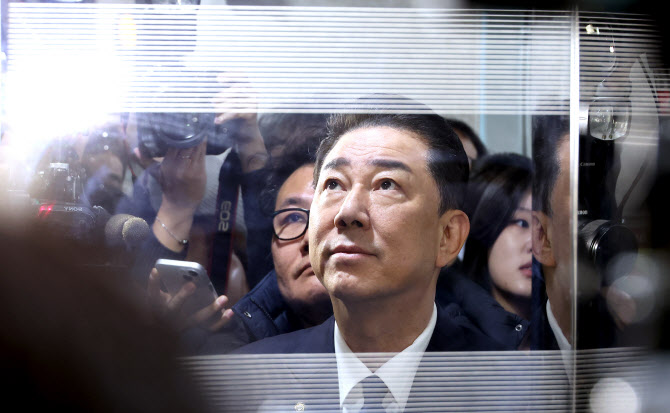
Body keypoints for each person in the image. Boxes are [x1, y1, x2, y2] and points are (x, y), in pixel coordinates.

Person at [232, 109, 504, 412]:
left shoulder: (514, 391)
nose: (347, 212)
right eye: (334, 184)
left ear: (448, 236)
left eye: (386, 184)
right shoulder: (243, 385)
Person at [195, 142, 333, 353]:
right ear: (272, 248)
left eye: (329, 214)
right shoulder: (236, 352)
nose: (309, 239)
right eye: (293, 218)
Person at [437, 153, 533, 350]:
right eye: (521, 223)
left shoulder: (570, 328)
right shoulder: (447, 336)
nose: (535, 243)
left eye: (545, 226)